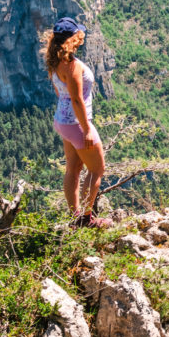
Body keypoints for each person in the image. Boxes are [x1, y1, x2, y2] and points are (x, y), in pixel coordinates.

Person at [45, 17, 111, 228]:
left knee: (73, 169)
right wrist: (86, 129)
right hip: (76, 123)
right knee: (97, 170)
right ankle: (86, 218)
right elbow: (76, 99)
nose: (82, 38)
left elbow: (60, 92)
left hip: (62, 121)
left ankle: (74, 216)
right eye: (78, 36)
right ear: (72, 39)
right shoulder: (71, 65)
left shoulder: (55, 61)